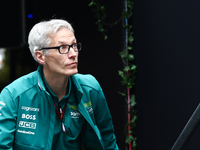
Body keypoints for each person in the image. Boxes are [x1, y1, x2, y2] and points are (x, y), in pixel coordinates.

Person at [0, 19, 119, 150]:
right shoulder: (13, 95)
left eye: (74, 45)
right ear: (40, 57)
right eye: (62, 48)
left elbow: (108, 141)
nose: (73, 54)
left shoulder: (90, 89)